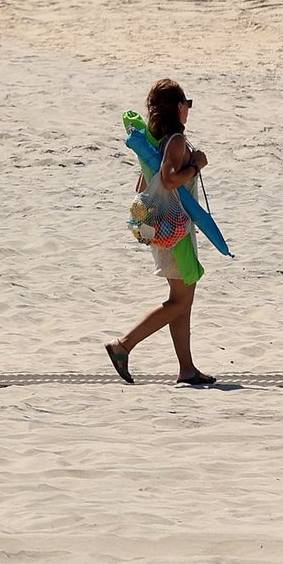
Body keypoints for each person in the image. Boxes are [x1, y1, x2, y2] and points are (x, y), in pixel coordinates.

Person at [104, 80, 215, 386]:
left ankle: (187, 369)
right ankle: (123, 345)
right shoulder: (176, 141)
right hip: (175, 231)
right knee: (180, 301)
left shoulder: (158, 141)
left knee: (181, 299)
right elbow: (168, 180)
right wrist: (196, 165)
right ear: (179, 107)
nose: (188, 109)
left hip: (166, 228)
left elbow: (145, 184)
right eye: (187, 103)